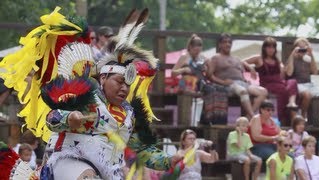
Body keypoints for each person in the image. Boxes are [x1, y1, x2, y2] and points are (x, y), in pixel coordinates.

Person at [0, 8, 180, 180]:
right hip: (69, 163)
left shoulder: (129, 115)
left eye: (128, 84)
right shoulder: (85, 97)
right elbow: (52, 117)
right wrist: (70, 118)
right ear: (103, 79)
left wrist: (167, 161)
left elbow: (142, 148)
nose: (124, 88)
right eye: (119, 82)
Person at [206, 33, 267, 119]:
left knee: (263, 91)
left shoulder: (236, 59)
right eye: (225, 42)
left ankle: (248, 117)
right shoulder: (216, 58)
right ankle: (253, 117)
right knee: (242, 91)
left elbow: (241, 70)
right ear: (220, 44)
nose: (228, 44)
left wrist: (250, 69)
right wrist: (222, 82)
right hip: (229, 85)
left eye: (229, 42)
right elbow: (209, 75)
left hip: (242, 83)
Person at [243, 37, 298, 125]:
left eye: (273, 47)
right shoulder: (259, 58)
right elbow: (241, 61)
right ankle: (282, 119)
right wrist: (250, 68)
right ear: (264, 48)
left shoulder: (277, 60)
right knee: (283, 90)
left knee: (292, 82)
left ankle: (292, 104)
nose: (271, 49)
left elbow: (285, 74)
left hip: (280, 83)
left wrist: (291, 58)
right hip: (268, 85)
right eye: (269, 47)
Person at [172, 34, 208, 126]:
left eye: (199, 51)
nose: (197, 53)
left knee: (209, 92)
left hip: (198, 84)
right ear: (191, 47)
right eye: (195, 50)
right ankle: (190, 123)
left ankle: (202, 122)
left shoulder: (202, 58)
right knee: (192, 95)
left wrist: (205, 69)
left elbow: (207, 72)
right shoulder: (184, 57)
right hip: (186, 84)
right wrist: (183, 70)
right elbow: (173, 72)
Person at [286, 37, 319, 119]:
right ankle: (303, 116)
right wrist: (293, 54)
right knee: (307, 95)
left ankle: (315, 118)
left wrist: (311, 54)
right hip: (297, 84)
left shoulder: (308, 58)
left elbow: (315, 72)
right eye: (300, 48)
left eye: (304, 48)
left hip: (309, 84)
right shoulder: (293, 58)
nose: (302, 50)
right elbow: (289, 73)